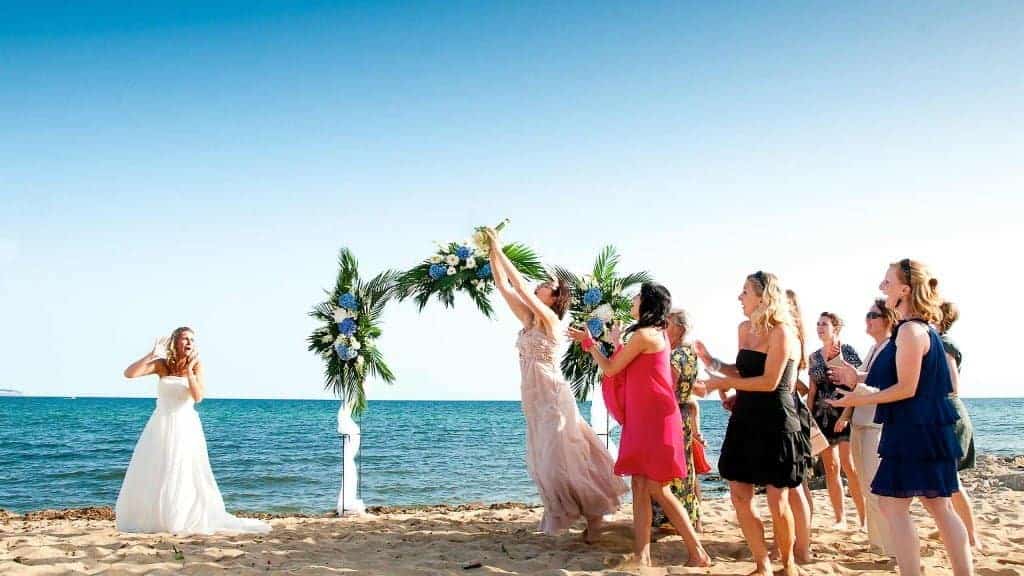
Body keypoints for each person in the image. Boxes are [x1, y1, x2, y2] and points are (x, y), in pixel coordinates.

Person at [830, 259, 973, 575]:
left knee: (899, 505)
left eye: (888, 282)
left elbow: (906, 388)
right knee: (934, 506)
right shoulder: (919, 329)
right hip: (921, 427)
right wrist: (858, 377)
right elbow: (900, 377)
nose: (883, 288)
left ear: (905, 290)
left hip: (914, 430)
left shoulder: (909, 331)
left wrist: (862, 396)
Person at [483, 228, 626, 540]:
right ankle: (563, 511)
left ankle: (593, 515)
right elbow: (504, 287)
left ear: (555, 298)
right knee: (546, 458)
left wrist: (499, 246)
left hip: (552, 394)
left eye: (545, 287)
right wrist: (490, 253)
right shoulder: (530, 320)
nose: (538, 287)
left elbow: (518, 286)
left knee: (563, 458)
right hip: (533, 396)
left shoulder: (551, 320)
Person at [569, 283, 710, 567]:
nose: (632, 300)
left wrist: (589, 344)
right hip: (644, 417)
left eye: (637, 296)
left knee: (658, 488)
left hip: (655, 419)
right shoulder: (651, 333)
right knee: (640, 486)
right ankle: (642, 554)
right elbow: (635, 368)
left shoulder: (646, 334)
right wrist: (617, 340)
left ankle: (698, 553)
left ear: (647, 303)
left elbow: (611, 369)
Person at [116, 327, 271, 534]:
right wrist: (150, 355)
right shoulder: (162, 365)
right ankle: (158, 519)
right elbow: (129, 374)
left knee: (182, 471)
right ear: (175, 342)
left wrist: (189, 372)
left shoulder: (197, 365)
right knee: (157, 470)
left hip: (185, 425)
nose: (189, 343)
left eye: (192, 340)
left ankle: (181, 517)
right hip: (161, 424)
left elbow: (198, 397)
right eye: (185, 339)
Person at [702, 271, 804, 576]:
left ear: (763, 296)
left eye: (745, 291)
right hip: (745, 418)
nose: (739, 297)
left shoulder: (783, 332)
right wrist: (712, 362)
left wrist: (718, 383)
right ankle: (762, 564)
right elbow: (743, 370)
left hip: (776, 419)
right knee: (738, 494)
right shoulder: (744, 329)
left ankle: (788, 565)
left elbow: (771, 382)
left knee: (778, 500)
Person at [832, 298, 899, 554]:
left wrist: (854, 380)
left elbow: (884, 385)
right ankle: (878, 542)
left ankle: (889, 545)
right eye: (867, 315)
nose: (868, 320)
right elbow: (861, 385)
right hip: (861, 421)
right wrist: (846, 411)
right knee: (865, 485)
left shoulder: (892, 348)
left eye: (873, 315)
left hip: (875, 424)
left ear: (887, 319)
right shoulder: (874, 349)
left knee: (877, 486)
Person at [808, 312, 866, 528]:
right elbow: (813, 390)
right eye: (818, 323)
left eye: (824, 324)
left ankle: (863, 518)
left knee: (849, 467)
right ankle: (840, 518)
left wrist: (846, 415)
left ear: (835, 328)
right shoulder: (813, 357)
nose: (820, 327)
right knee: (830, 467)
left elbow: (856, 385)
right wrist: (809, 418)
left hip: (843, 411)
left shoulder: (847, 351)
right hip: (821, 415)